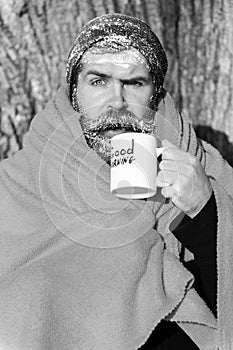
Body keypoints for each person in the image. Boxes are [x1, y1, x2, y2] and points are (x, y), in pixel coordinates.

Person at [0, 13, 233, 350]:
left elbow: (221, 309)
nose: (117, 101)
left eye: (135, 83)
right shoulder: (14, 185)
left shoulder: (202, 167)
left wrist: (206, 211)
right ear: (73, 92)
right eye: (99, 81)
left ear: (155, 95)